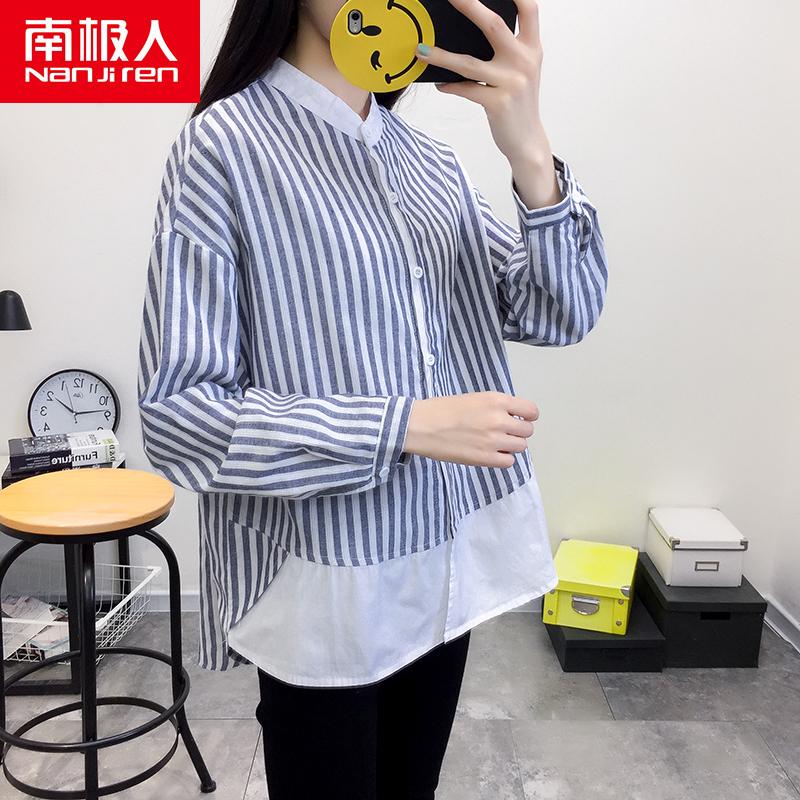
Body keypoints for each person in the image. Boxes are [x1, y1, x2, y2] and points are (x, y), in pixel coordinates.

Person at [136, 0, 608, 796]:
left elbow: (559, 311)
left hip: (443, 571)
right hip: (324, 589)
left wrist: (530, 150)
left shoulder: (428, 163)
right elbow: (182, 418)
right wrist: (404, 425)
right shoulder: (224, 146)